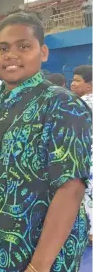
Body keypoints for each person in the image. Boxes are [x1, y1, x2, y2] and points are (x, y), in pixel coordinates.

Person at [0, 12, 91, 272]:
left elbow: (71, 189)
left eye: (23, 46)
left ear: (43, 52)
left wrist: (39, 265)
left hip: (38, 254)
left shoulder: (62, 105)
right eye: (3, 48)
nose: (11, 55)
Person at [70, 65, 93, 244]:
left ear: (90, 85)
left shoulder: (82, 103)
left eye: (77, 81)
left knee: (85, 195)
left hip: (87, 157)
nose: (72, 84)